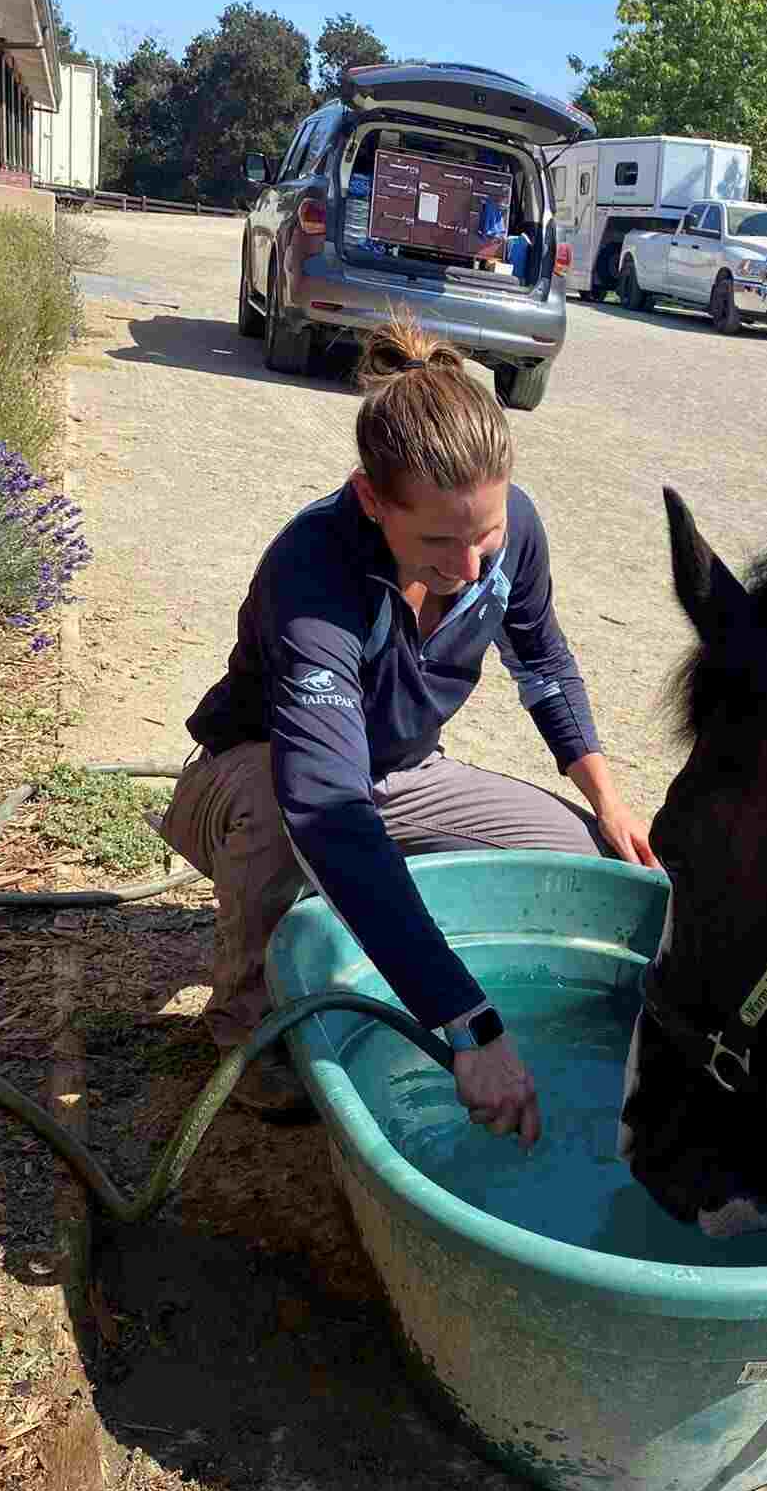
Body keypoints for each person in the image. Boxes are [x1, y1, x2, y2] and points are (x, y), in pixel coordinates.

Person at [162, 314, 655, 1131]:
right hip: (264, 772)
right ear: (370, 500)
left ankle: (420, 951)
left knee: (586, 858)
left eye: (486, 536)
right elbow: (326, 802)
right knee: (292, 816)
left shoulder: (513, 531)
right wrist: (466, 1023)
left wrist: (609, 800)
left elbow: (544, 666)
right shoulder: (312, 570)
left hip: (406, 773)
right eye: (436, 541)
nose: (469, 569)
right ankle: (247, 1028)